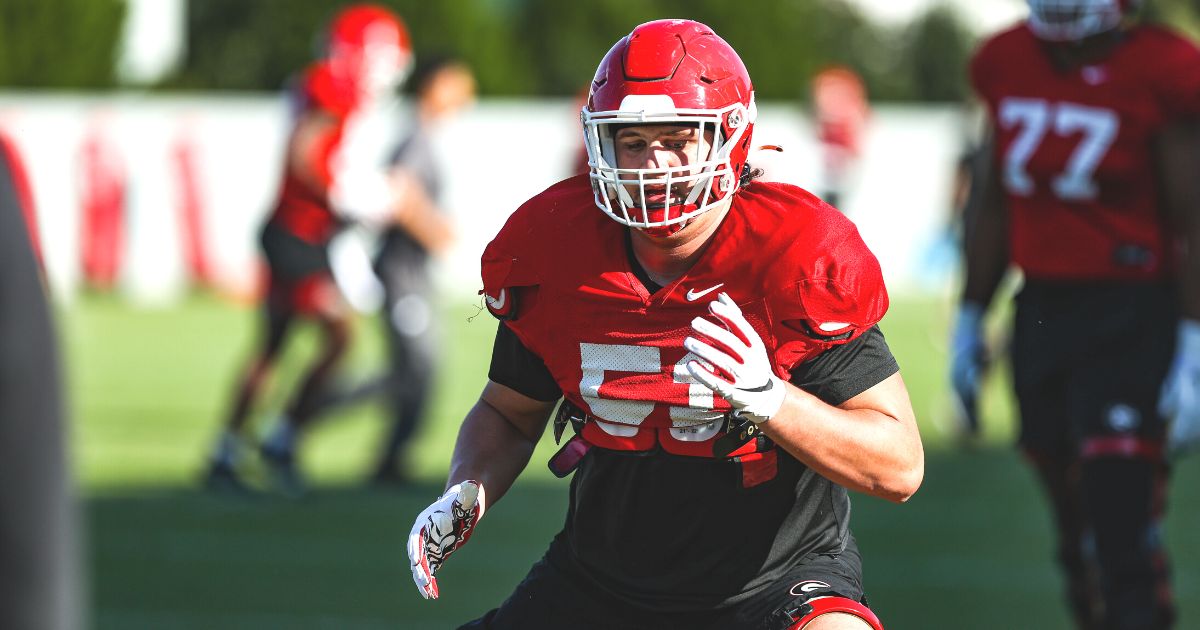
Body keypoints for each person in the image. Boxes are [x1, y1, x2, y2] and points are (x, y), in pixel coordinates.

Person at [407, 19, 923, 630]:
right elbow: (508, 412)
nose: (653, 163)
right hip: (599, 584)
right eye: (632, 141)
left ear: (729, 140)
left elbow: (898, 466)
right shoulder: (556, 252)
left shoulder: (793, 255)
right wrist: (467, 487)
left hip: (773, 584)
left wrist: (772, 400)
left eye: (678, 138)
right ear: (601, 145)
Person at [950, 1, 1200, 627]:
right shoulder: (1005, 60)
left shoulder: (1163, 65)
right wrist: (970, 317)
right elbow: (993, 199)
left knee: (1120, 526)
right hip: (1042, 309)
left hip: (1133, 310)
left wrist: (1195, 339)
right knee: (1075, 533)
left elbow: (1192, 218)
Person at [205, 4, 416, 494]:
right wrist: (348, 196)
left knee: (274, 346)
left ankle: (230, 448)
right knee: (338, 335)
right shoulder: (331, 86)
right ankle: (281, 436)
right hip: (297, 234)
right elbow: (306, 154)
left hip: (299, 231)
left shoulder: (322, 84)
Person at [369, 56, 473, 486]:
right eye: (459, 85)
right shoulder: (415, 138)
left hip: (411, 273)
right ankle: (312, 409)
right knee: (416, 368)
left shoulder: (422, 135)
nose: (466, 95)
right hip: (402, 272)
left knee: (414, 370)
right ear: (435, 85)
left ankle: (391, 460)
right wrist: (435, 229)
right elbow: (401, 193)